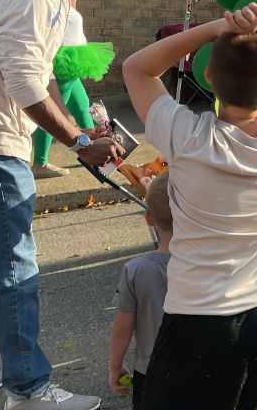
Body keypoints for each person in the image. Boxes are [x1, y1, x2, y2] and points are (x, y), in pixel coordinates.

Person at [122, 2, 257, 410]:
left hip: (199, 316)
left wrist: (216, 27)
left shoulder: (188, 137)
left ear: (209, 76)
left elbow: (137, 68)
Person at [0, 0, 128, 410]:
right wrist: (77, 142)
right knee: (14, 274)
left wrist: (82, 133)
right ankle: (27, 390)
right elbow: (24, 80)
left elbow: (45, 74)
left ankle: (14, 378)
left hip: (5, 144)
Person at [31, 0, 114, 178]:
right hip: (63, 61)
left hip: (73, 60)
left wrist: (71, 4)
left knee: (82, 105)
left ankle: (93, 150)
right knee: (54, 113)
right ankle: (40, 164)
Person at [108, 171, 171, 410]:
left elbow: (123, 326)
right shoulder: (207, 263)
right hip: (203, 364)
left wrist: (115, 367)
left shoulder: (136, 270)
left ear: (148, 218)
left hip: (152, 368)